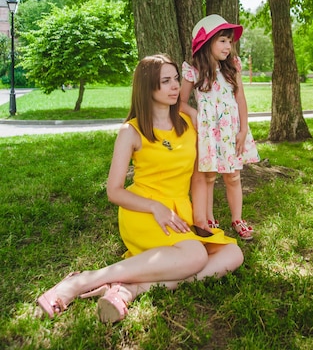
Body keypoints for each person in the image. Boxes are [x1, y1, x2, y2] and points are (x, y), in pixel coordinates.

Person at [37, 54, 243, 324]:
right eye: (165, 81)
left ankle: (131, 289)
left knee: (232, 253)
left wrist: (199, 219)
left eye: (176, 80)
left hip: (179, 213)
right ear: (148, 88)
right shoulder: (130, 131)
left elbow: (197, 179)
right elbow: (115, 191)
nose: (174, 87)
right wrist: (155, 207)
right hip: (143, 210)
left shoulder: (189, 124)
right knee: (195, 256)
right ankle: (83, 281)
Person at [180, 14, 260, 242]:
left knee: (233, 176)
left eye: (230, 41)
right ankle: (209, 217)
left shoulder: (233, 67)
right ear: (207, 43)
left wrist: (243, 130)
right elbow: (180, 102)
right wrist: (193, 112)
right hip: (208, 133)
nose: (229, 46)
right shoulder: (193, 70)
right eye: (222, 41)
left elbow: (241, 99)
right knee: (208, 177)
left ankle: (237, 218)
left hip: (230, 130)